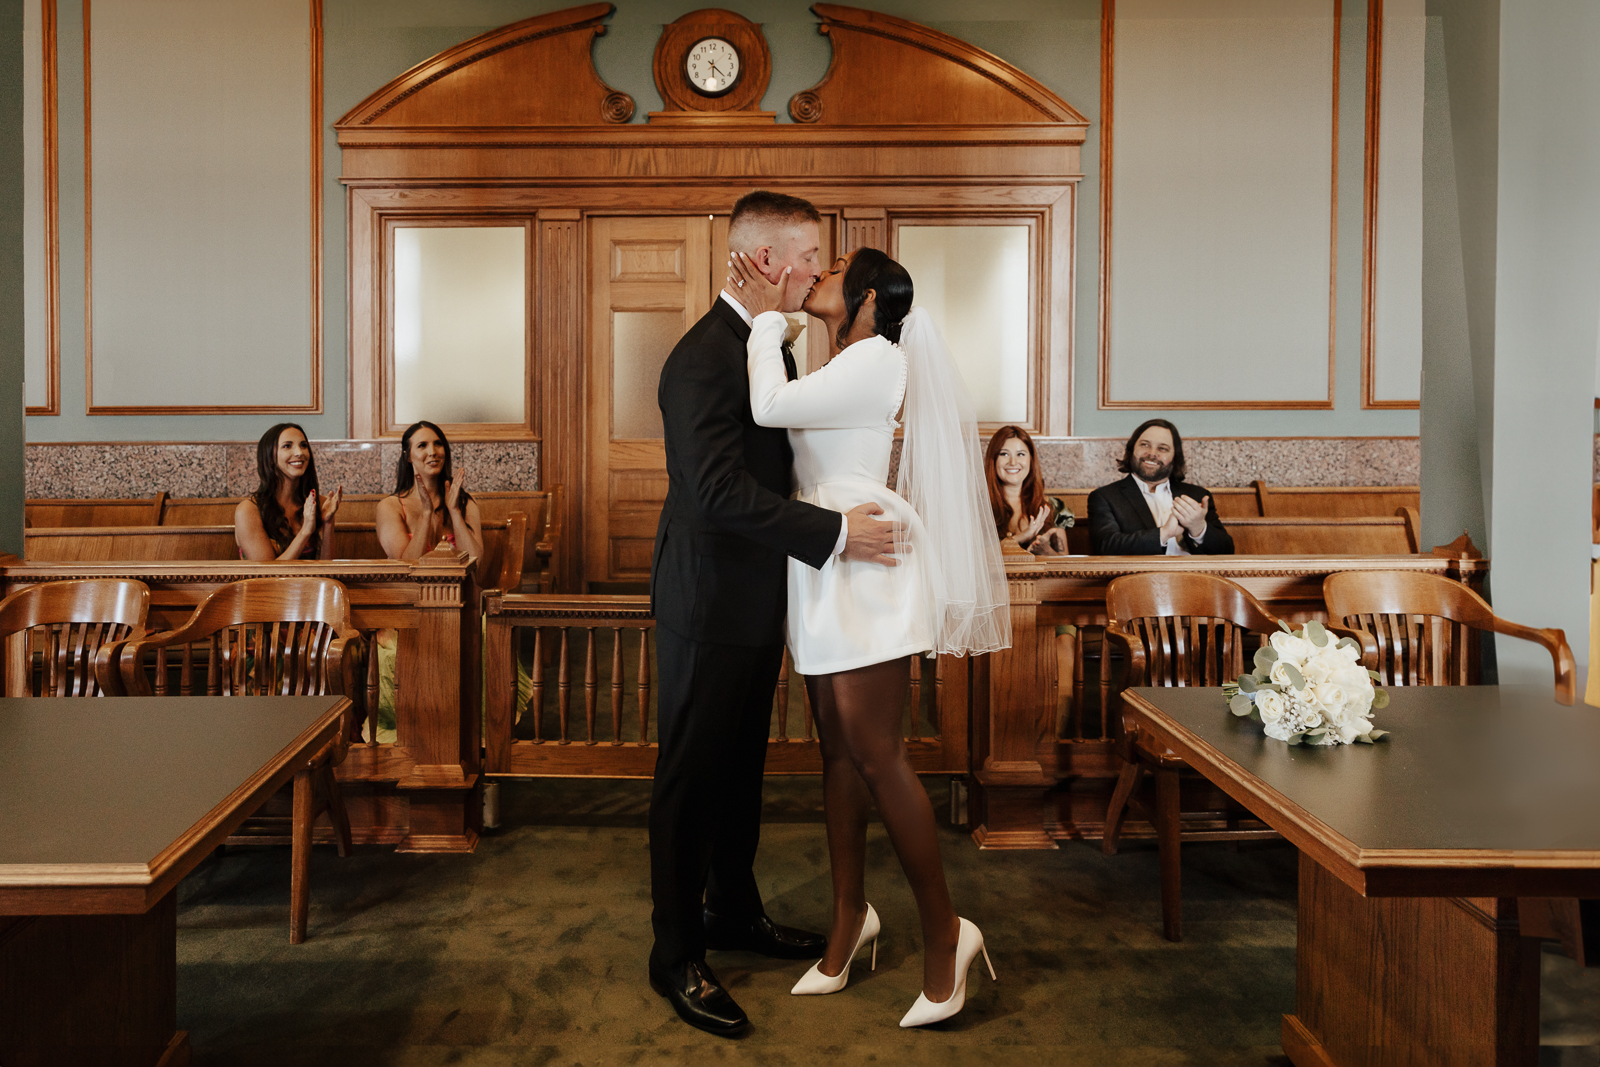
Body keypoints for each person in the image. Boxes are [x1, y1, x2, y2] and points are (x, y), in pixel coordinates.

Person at [728, 245, 1008, 1027]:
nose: (819, 275)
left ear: (864, 297)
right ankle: (850, 920)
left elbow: (768, 409)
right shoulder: (843, 359)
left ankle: (949, 932)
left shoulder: (876, 355)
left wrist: (762, 321)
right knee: (836, 751)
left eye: (834, 270)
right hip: (825, 551)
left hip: (866, 559)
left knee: (878, 752)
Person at [647, 191, 900, 1038]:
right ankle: (675, 951)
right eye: (807, 257)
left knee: (741, 768)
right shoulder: (699, 359)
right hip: (707, 597)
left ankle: (734, 909)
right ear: (763, 262)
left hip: (760, 597)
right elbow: (716, 492)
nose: (816, 272)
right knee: (691, 776)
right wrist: (833, 531)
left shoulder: (766, 350)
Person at [1086, 419, 1234, 555]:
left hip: (1195, 580)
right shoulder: (1105, 497)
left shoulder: (1197, 495)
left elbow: (1226, 551)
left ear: (1174, 457)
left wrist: (1199, 528)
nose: (1152, 453)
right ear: (1132, 450)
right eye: (1144, 445)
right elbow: (1105, 547)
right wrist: (1164, 534)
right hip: (1138, 581)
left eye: (1162, 448)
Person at [376, 421, 484, 562]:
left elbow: (476, 562)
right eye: (422, 446)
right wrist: (426, 513)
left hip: (459, 584)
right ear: (408, 456)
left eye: (438, 444)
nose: (433, 452)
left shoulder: (465, 502)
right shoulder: (389, 507)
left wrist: (454, 511)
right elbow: (405, 568)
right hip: (411, 584)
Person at [235, 423, 341, 561]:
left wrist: (328, 523)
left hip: (313, 583)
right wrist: (305, 531)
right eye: (287, 446)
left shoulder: (319, 503)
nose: (299, 452)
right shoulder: (248, 510)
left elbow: (327, 569)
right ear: (270, 456)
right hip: (265, 583)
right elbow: (267, 576)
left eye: (303, 445)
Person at [986, 425, 1071, 554]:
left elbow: (1067, 569)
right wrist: (1022, 537)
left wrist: (1046, 552)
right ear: (993, 460)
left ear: (1031, 460)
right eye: (1004, 454)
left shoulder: (1053, 507)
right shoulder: (977, 508)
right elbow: (973, 559)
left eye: (1020, 454)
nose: (1013, 462)